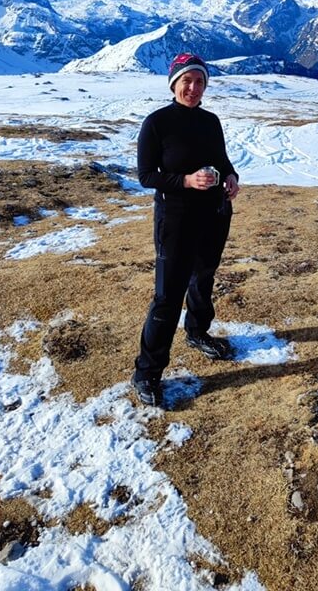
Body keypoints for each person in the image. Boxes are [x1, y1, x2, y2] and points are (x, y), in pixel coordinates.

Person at [132, 52, 240, 406]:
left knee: (204, 275)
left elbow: (223, 161)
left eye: (199, 82)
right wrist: (186, 180)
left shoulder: (210, 122)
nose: (192, 88)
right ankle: (147, 371)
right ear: (174, 84)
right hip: (175, 217)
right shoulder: (157, 123)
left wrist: (231, 177)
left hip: (213, 213)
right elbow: (146, 175)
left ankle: (197, 331)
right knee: (168, 294)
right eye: (186, 81)